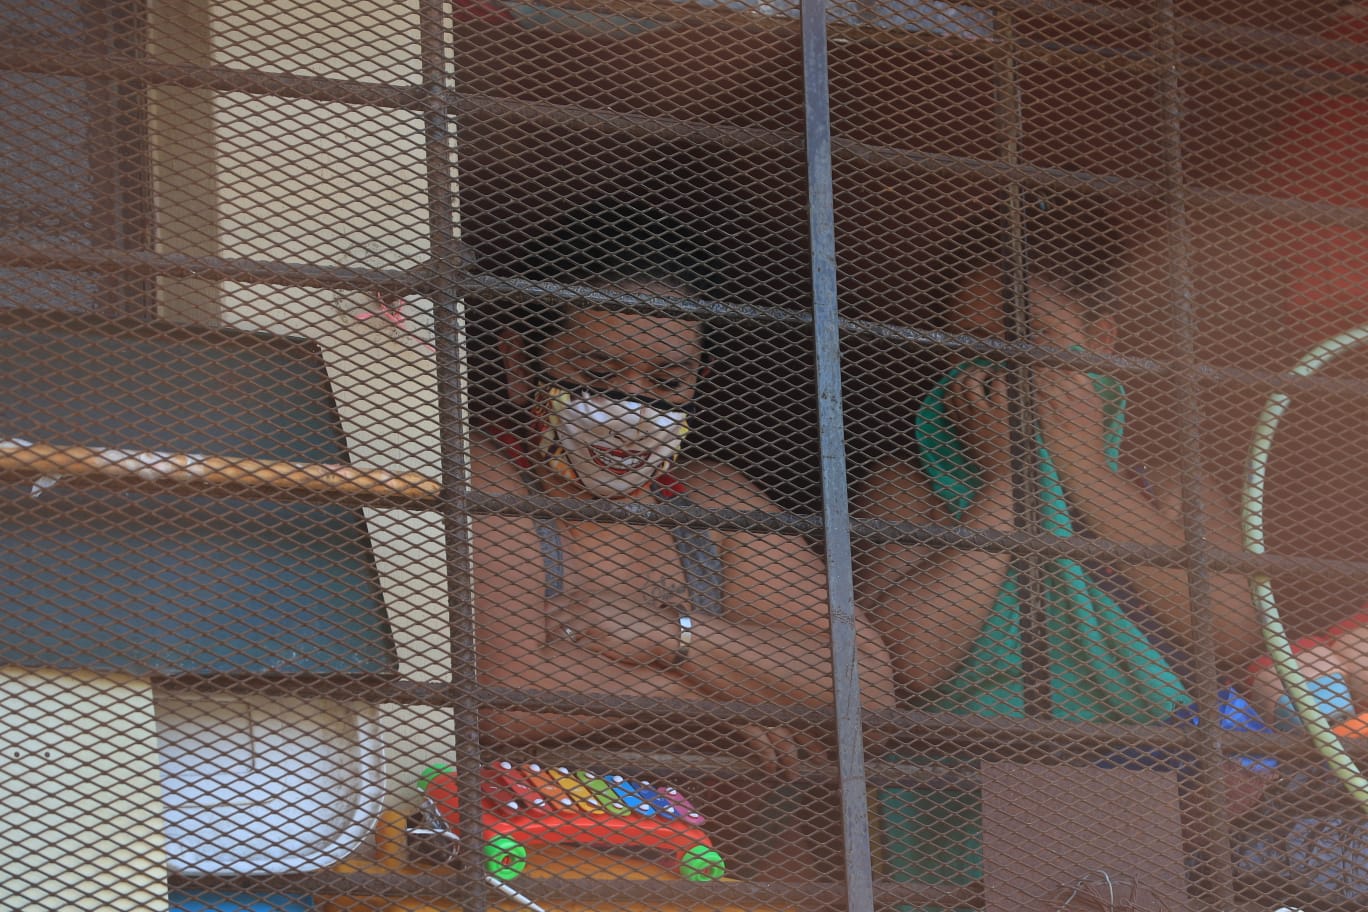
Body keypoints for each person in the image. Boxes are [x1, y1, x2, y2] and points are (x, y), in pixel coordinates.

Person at [467, 202, 896, 873]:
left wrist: (673, 637)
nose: (634, 412)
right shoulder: (487, 473)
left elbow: (865, 686)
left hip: (697, 872)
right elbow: (508, 695)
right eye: (599, 376)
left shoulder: (710, 503)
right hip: (523, 867)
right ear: (522, 362)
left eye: (666, 383)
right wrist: (730, 691)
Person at [851, 195, 1263, 893]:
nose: (1004, 366)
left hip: (1158, 804)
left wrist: (1080, 466)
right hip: (969, 805)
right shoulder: (908, 489)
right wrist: (1012, 478)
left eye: (1032, 338)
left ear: (1099, 342)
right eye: (976, 346)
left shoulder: (1170, 488)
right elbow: (910, 661)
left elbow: (1227, 632)